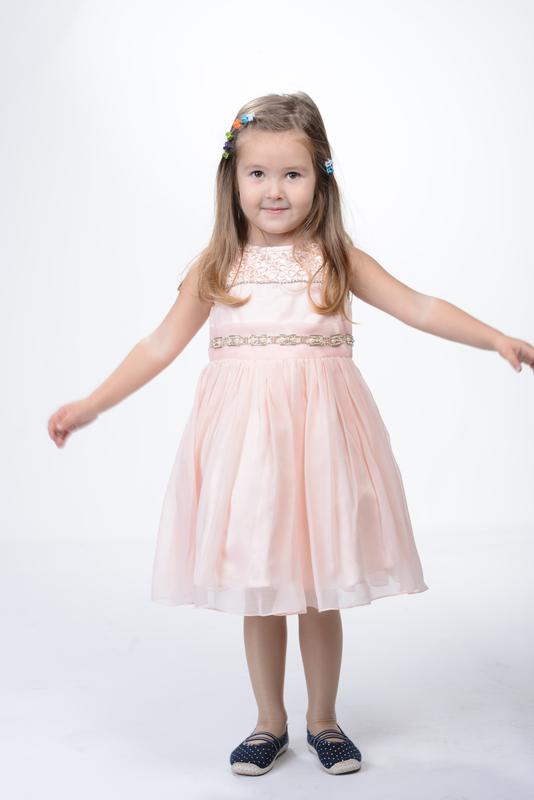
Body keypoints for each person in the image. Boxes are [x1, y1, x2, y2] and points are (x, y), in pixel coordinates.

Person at [47, 91, 534, 777]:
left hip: (322, 447)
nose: (274, 190)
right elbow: (158, 345)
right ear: (232, 179)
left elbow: (419, 305)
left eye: (292, 174)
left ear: (321, 177)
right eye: (258, 173)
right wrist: (92, 403)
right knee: (261, 583)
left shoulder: (335, 258)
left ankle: (324, 719)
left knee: (317, 589)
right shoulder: (216, 266)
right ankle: (268, 722)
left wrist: (494, 337)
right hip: (249, 454)